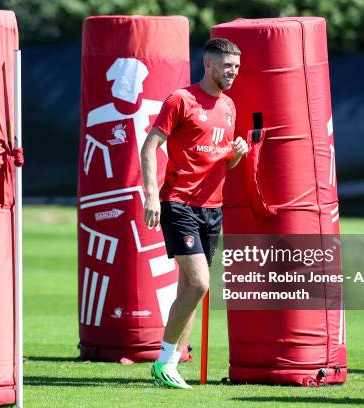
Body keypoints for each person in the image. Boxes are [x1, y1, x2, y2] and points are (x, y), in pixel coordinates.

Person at [140, 38, 249, 389]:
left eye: (237, 66)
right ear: (209, 64)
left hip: (212, 207)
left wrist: (237, 154)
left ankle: (171, 363)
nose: (234, 72)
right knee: (200, 283)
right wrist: (152, 196)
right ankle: (163, 361)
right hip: (179, 203)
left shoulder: (230, 106)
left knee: (191, 287)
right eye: (228, 66)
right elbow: (150, 145)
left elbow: (221, 162)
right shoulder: (181, 100)